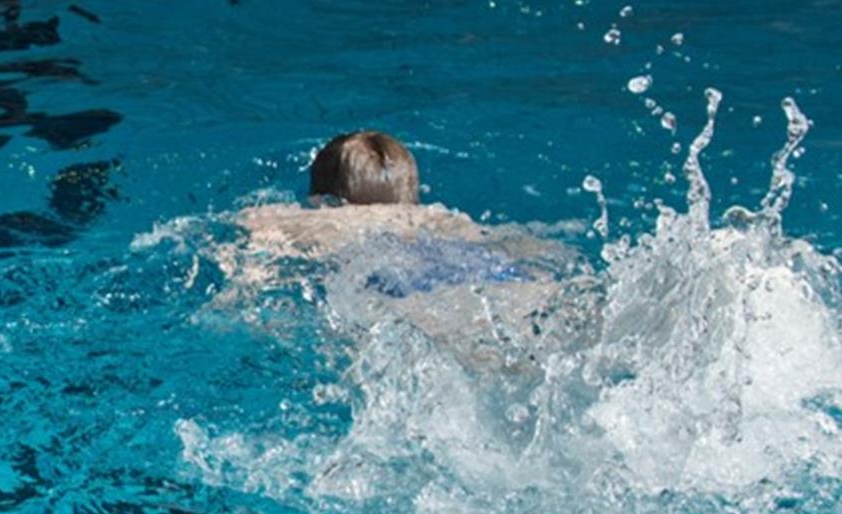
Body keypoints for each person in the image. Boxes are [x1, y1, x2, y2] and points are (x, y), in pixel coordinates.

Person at [222, 131, 590, 377]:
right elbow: (523, 248)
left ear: (320, 198)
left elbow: (252, 263)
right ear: (411, 194)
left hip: (404, 295)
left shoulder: (301, 221)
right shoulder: (444, 220)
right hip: (497, 282)